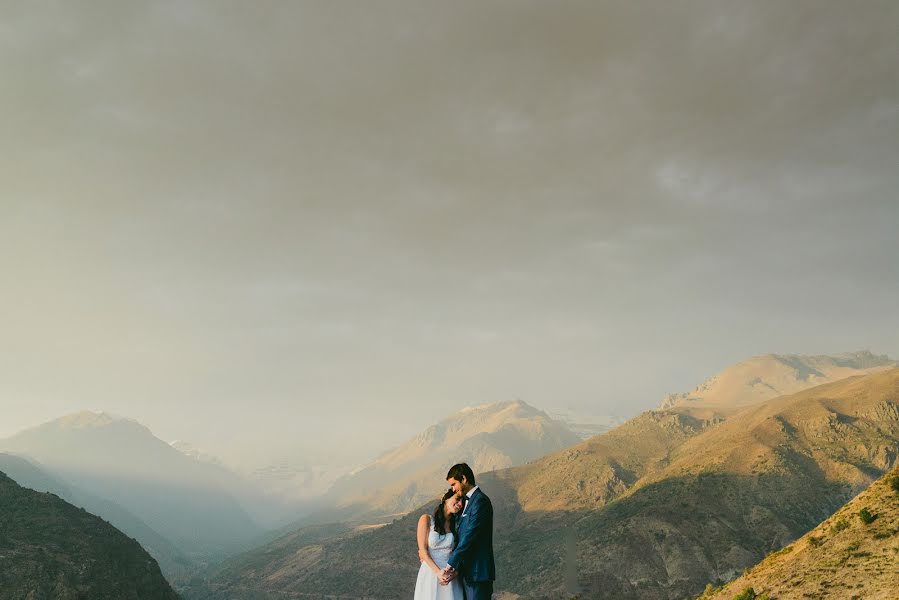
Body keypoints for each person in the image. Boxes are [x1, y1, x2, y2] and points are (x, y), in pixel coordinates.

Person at [442, 463, 496, 600]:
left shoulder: (481, 501)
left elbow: (470, 536)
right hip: (466, 574)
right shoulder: (465, 503)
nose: (453, 489)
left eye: (454, 484)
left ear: (464, 479)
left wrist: (451, 564)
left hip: (478, 574)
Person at [413, 488, 465, 600]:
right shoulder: (426, 519)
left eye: (462, 502)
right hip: (430, 572)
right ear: (446, 499)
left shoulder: (457, 525)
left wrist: (453, 574)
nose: (460, 504)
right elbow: (423, 550)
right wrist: (438, 572)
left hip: (449, 575)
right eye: (457, 499)